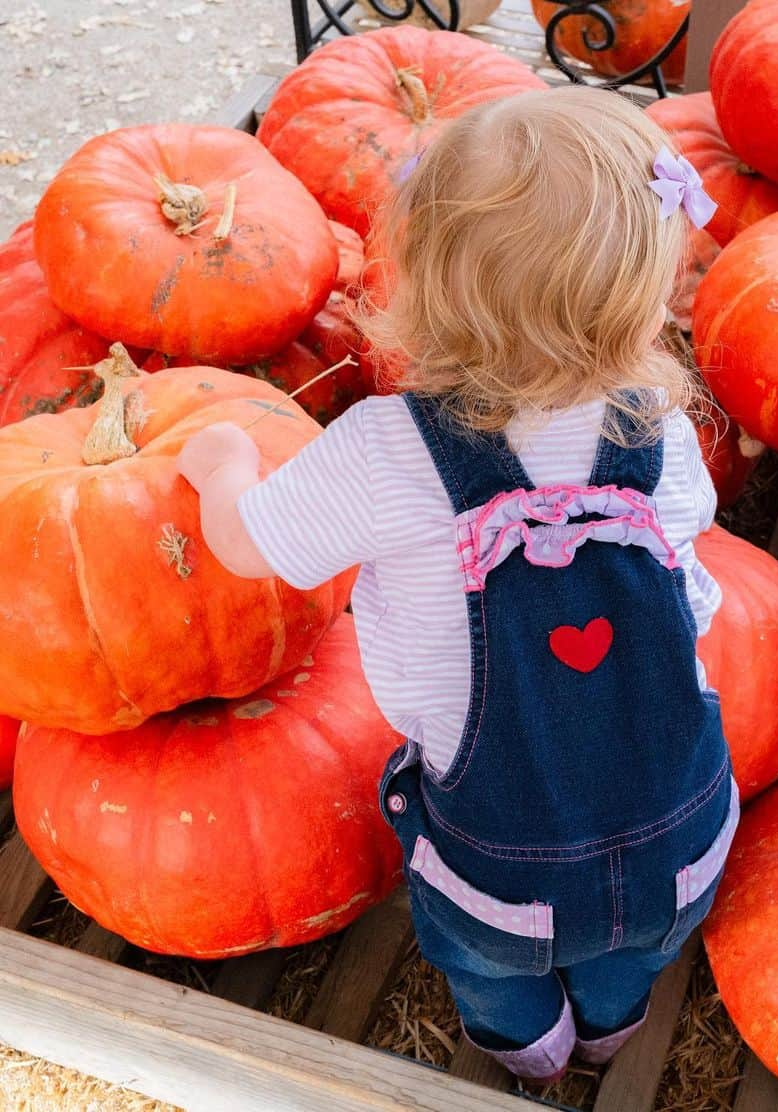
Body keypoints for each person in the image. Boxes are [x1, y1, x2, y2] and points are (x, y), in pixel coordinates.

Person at [178, 85, 738, 1085]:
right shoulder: (663, 438)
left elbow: (250, 545)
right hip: (677, 832)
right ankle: (609, 1026)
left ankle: (529, 1047)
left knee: (489, 965)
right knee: (629, 948)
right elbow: (693, 602)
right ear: (649, 301)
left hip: (501, 865)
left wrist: (221, 461)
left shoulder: (389, 452)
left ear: (418, 291)